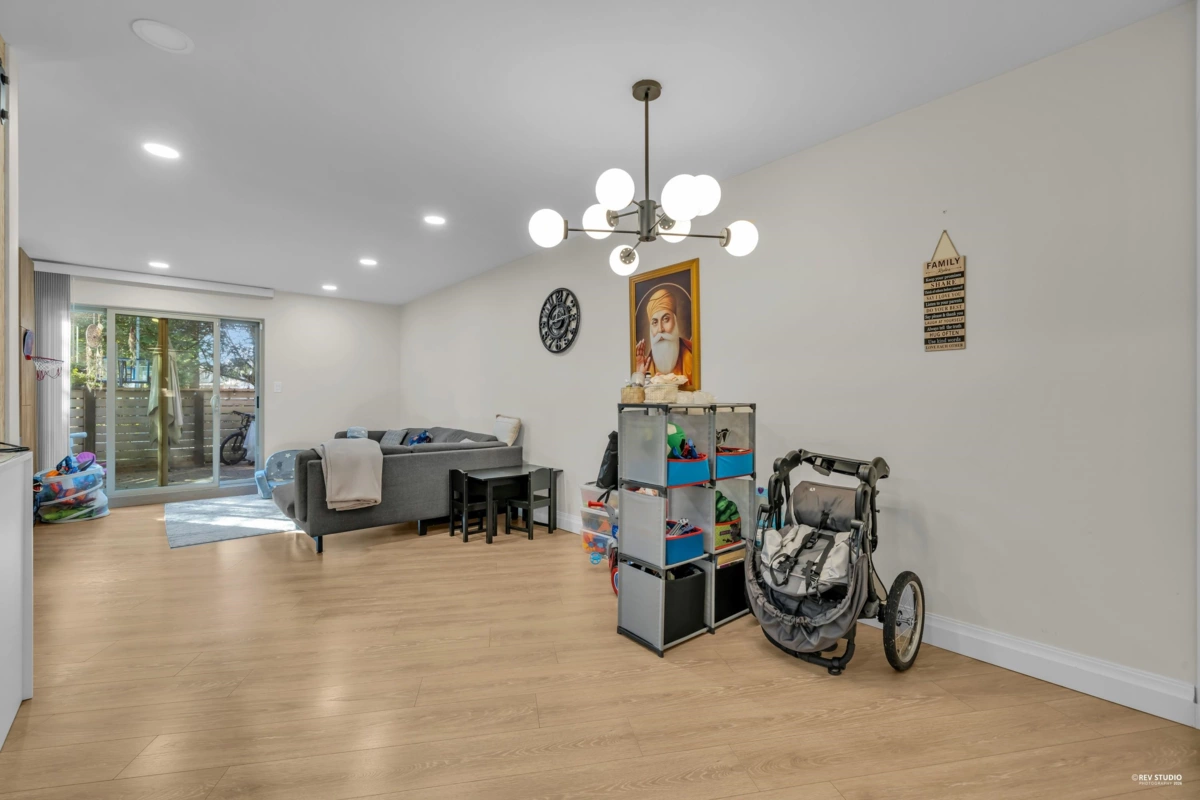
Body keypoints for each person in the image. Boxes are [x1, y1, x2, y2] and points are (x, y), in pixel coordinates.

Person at [635, 287, 694, 387]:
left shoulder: (692, 356)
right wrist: (639, 374)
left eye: (666, 319)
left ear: (675, 321)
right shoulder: (646, 365)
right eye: (654, 322)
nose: (660, 329)